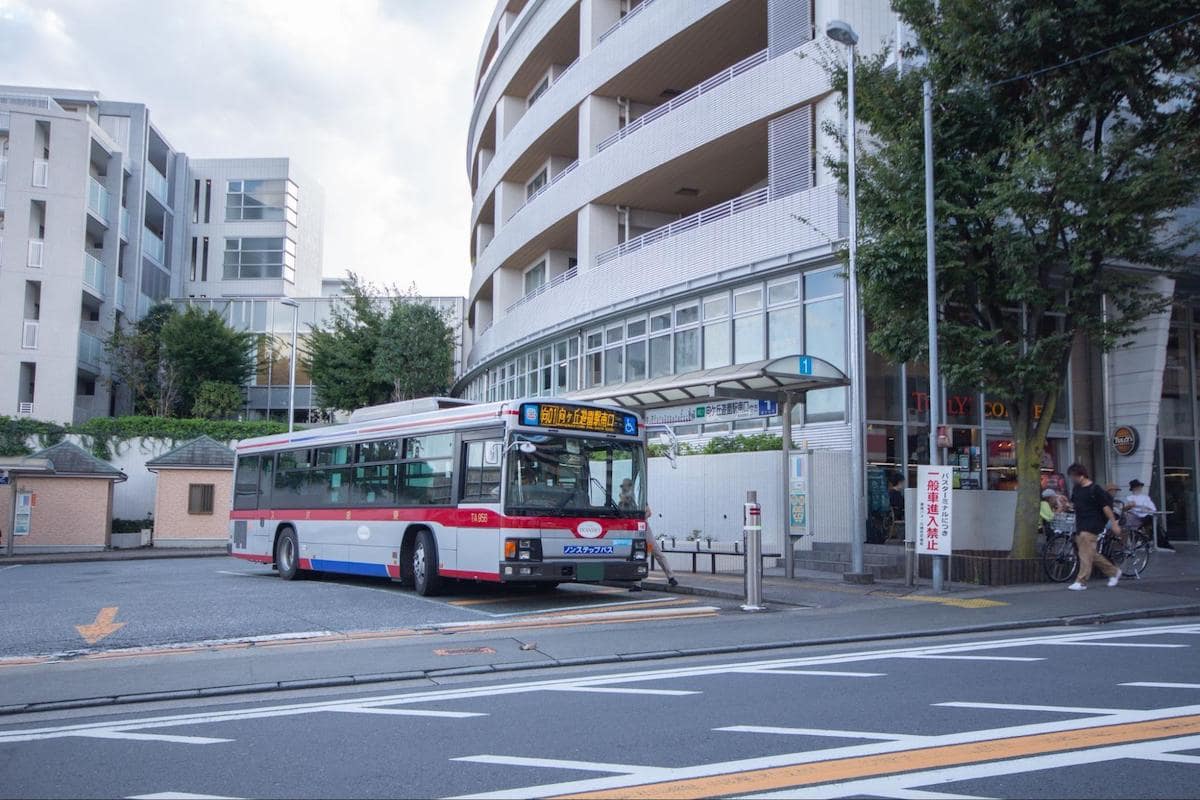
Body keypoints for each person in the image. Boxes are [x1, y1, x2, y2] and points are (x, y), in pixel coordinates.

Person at [1066, 463, 1122, 591]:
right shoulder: (1076, 489)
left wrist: (1113, 523)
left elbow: (1106, 508)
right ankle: (1113, 572)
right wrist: (1068, 506)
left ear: (1081, 475)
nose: (1072, 479)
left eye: (1073, 476)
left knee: (1085, 551)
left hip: (1093, 523)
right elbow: (1075, 504)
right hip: (1080, 523)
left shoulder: (1095, 489)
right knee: (1088, 552)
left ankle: (1081, 581)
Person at [1123, 479, 1171, 552]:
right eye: (1137, 487)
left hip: (1147, 516)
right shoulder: (1129, 498)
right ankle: (1157, 541)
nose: (1139, 488)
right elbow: (1129, 509)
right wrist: (1141, 508)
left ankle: (1161, 542)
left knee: (1154, 523)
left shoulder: (1146, 497)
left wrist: (1145, 508)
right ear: (1133, 488)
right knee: (1152, 523)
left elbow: (1153, 508)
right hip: (1136, 518)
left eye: (1139, 487)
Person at [640, 504, 678, 589]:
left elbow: (649, 513)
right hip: (632, 529)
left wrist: (640, 517)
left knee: (654, 552)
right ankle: (637, 583)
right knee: (639, 556)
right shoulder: (621, 500)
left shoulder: (641, 497)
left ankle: (671, 577)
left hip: (644, 529)